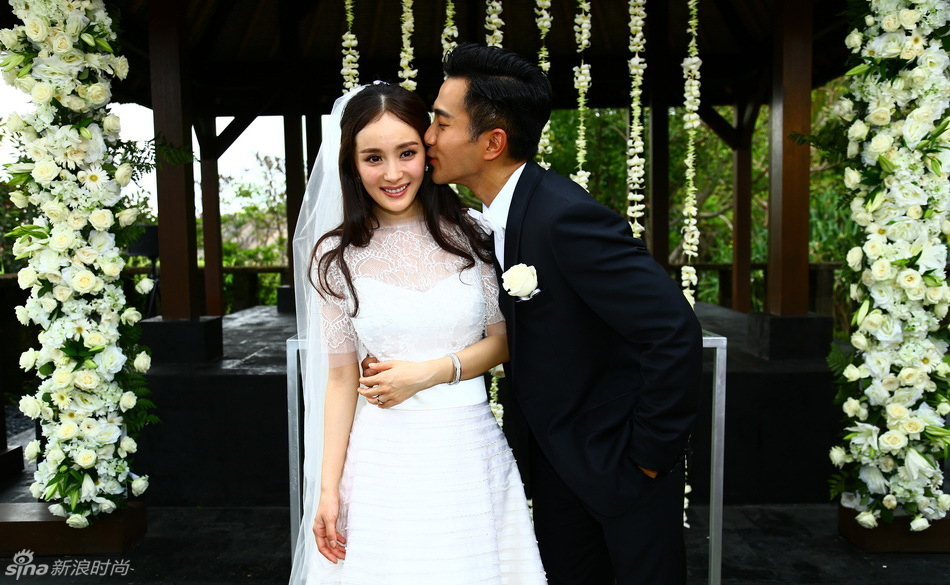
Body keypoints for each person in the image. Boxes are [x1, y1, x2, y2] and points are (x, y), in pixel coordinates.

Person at [419, 42, 704, 585]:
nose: (427, 137)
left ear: (492, 142)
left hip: (619, 467)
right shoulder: (498, 218)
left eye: (441, 122)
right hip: (557, 467)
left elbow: (673, 330)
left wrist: (647, 457)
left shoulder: (565, 217)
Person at [287, 82, 546, 585]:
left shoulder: (474, 234)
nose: (392, 173)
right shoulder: (334, 258)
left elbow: (504, 341)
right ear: (352, 165)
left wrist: (430, 373)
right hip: (383, 459)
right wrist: (328, 490)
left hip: (467, 450)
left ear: (427, 152)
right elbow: (340, 379)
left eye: (406, 153)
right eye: (373, 158)